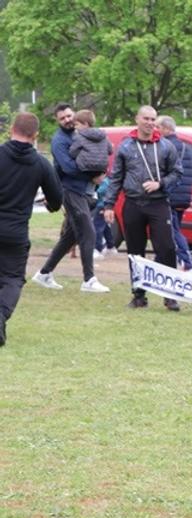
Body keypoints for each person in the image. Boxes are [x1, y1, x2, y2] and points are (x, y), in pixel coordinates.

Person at [102, 105, 183, 311]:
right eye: (145, 118)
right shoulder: (126, 146)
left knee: (166, 248)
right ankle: (138, 294)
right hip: (133, 203)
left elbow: (177, 173)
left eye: (153, 119)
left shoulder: (166, 146)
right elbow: (116, 177)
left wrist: (161, 183)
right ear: (137, 119)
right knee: (135, 251)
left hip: (158, 203)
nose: (149, 122)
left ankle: (169, 295)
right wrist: (109, 204)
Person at [32, 103, 109, 293]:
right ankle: (89, 280)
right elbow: (68, 168)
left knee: (70, 236)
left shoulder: (80, 134)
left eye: (69, 116)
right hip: (70, 190)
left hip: (86, 191)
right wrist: (92, 176)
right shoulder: (59, 141)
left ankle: (44, 273)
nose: (67, 120)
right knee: (88, 231)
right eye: (62, 118)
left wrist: (99, 174)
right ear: (58, 121)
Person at [0, 112, 63, 346]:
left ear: (11, 129)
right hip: (16, 231)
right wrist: (48, 204)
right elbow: (57, 200)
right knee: (12, 279)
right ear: (35, 135)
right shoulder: (41, 164)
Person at [156, 115, 192, 274]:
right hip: (183, 196)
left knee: (173, 231)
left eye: (158, 128)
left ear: (166, 129)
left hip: (170, 196)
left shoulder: (165, 146)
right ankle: (159, 263)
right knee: (171, 230)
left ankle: (188, 264)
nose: (156, 131)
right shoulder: (185, 147)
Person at [68, 109, 111, 176]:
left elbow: (72, 152)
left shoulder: (79, 136)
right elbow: (110, 151)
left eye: (76, 124)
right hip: (101, 168)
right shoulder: (103, 136)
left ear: (85, 124)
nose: (75, 127)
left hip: (85, 168)